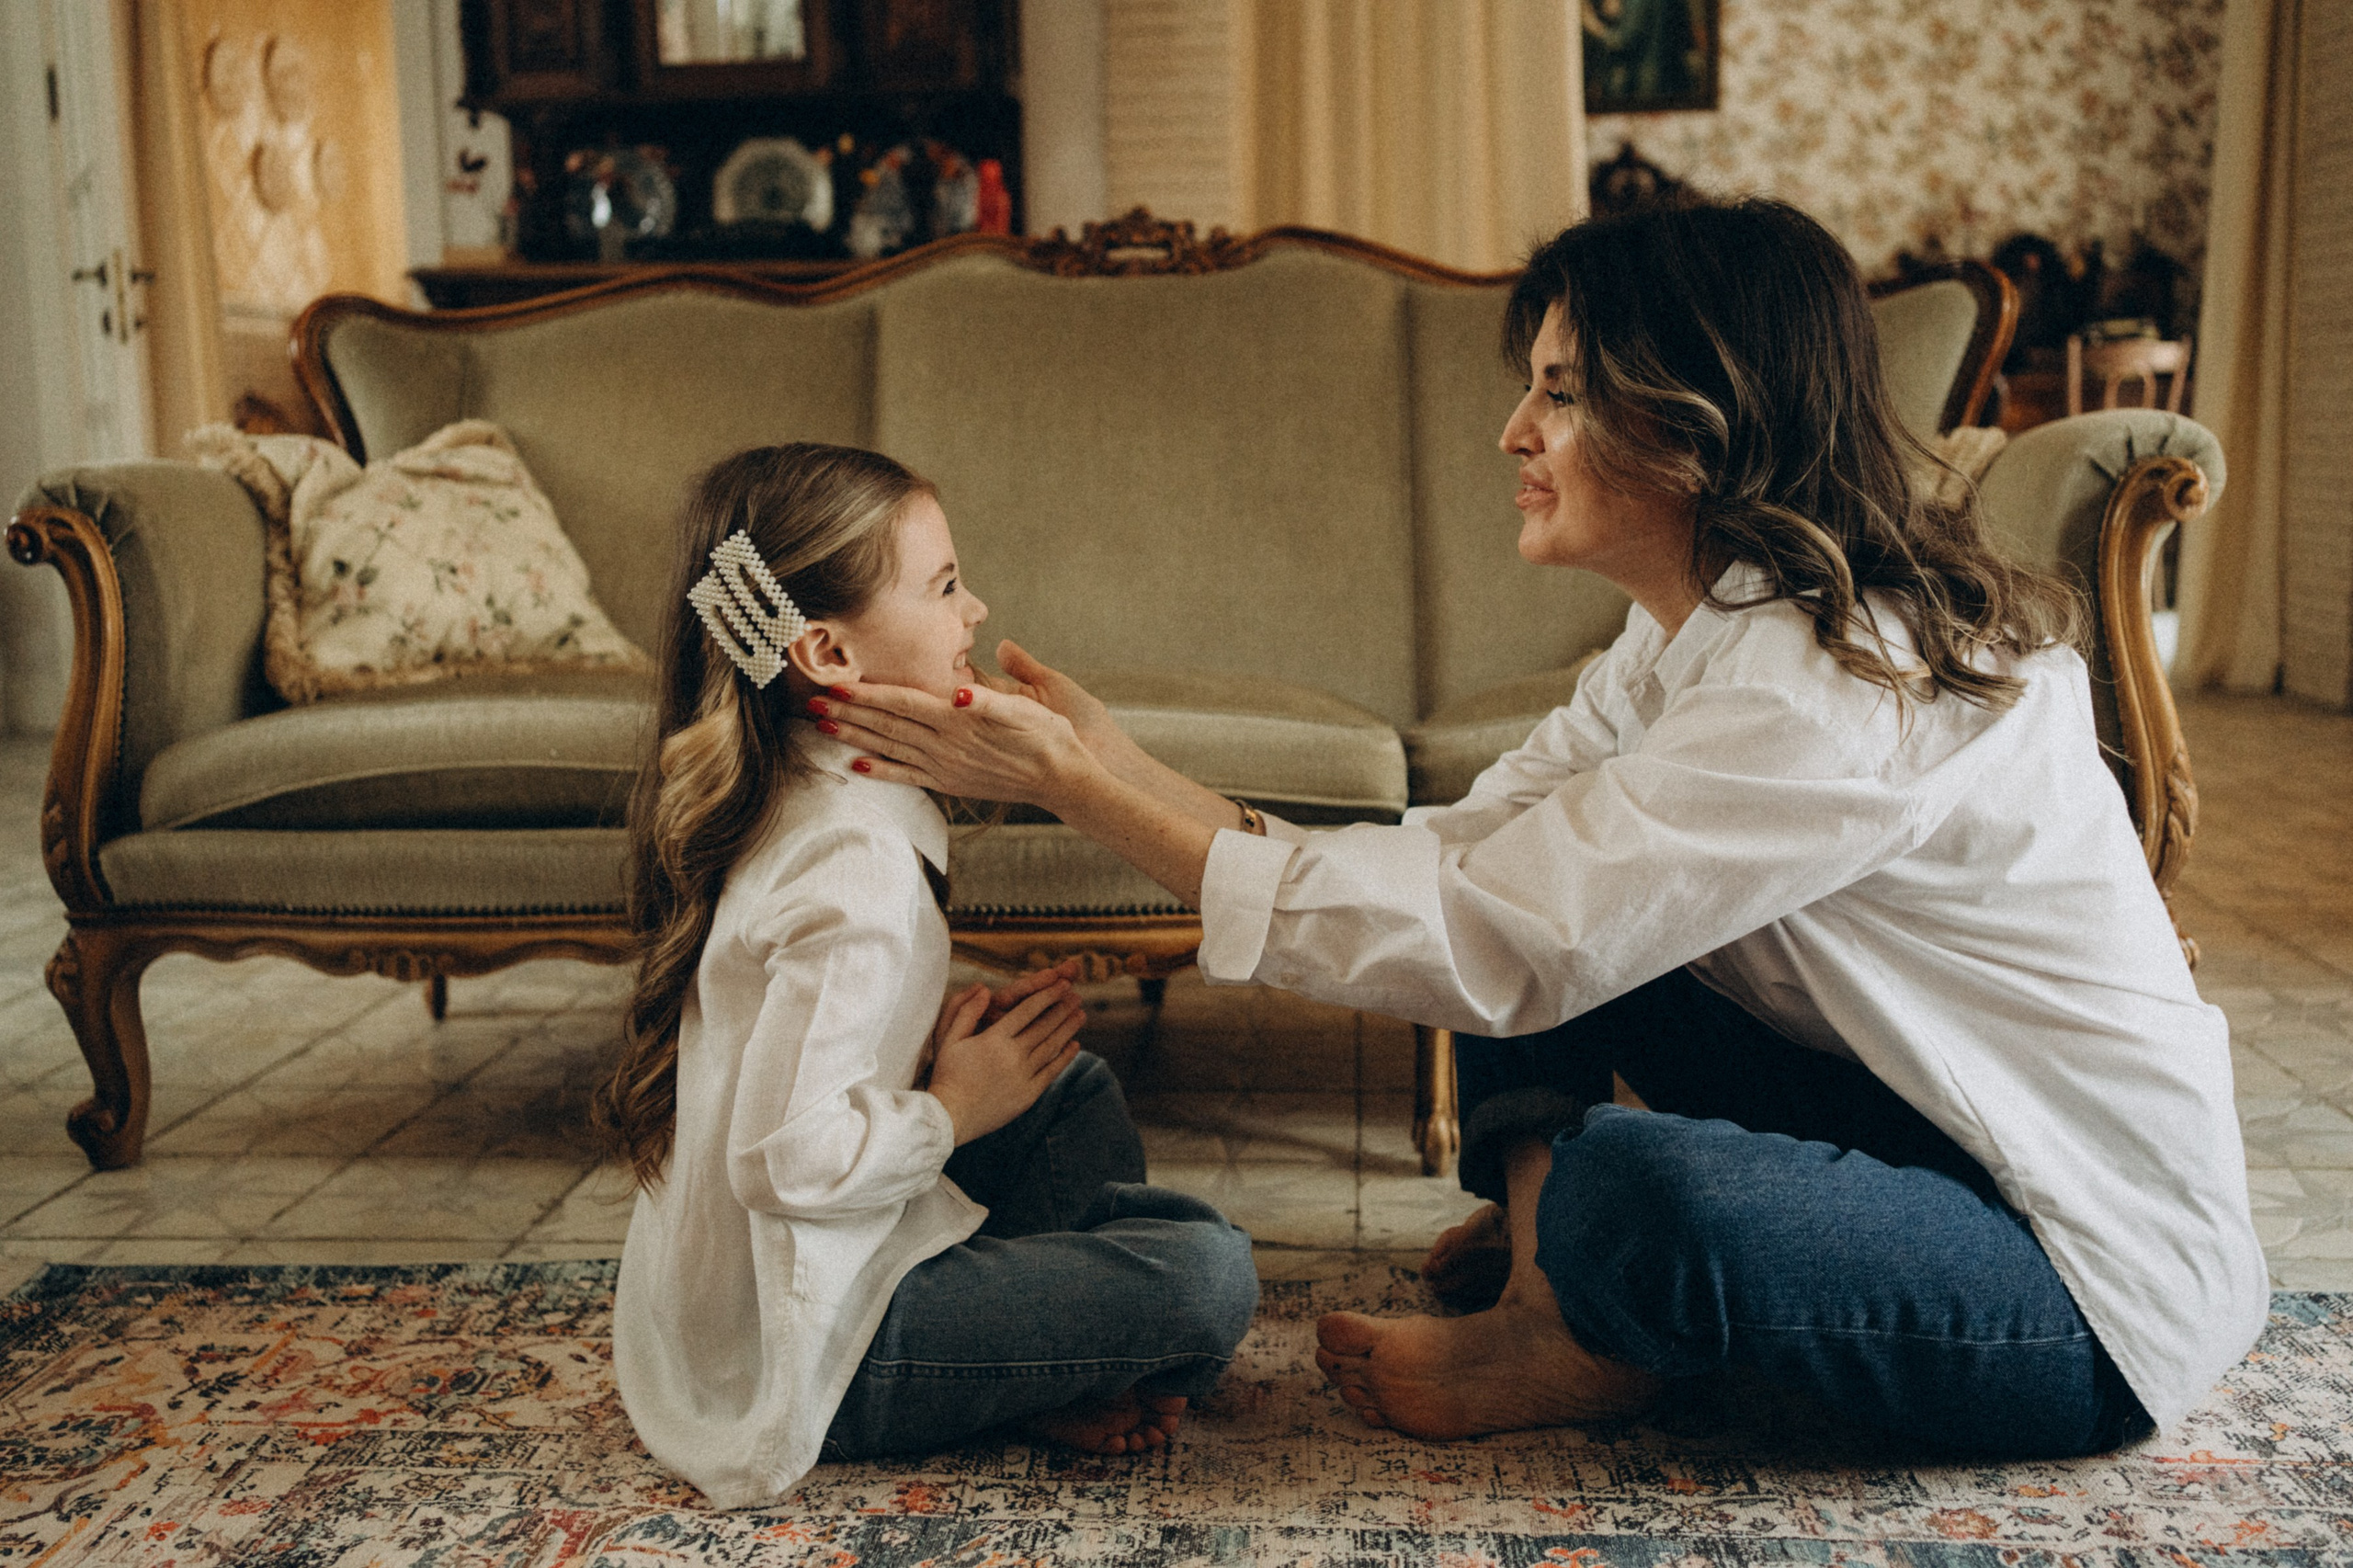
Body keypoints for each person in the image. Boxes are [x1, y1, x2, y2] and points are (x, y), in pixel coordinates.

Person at [813, 198, 2268, 1459]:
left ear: (1697, 419)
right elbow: (1459, 851)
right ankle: (1548, 1302)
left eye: (1562, 393)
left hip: (2080, 1285)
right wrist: (1115, 759)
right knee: (1517, 920)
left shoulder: (1823, 693)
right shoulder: (1687, 636)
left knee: (1632, 1186)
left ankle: (1574, 1288)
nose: (1515, 431)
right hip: (1929, 1127)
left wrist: (1080, 791)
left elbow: (1491, 944)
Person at [597, 444, 1258, 1509]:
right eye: (945, 584)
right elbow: (787, 1163)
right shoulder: (851, 861)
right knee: (1212, 1276)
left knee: (1067, 1083)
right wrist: (949, 1108)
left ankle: (1042, 1358)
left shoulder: (808, 789)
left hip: (837, 1253)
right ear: (826, 650)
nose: (975, 606)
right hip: (813, 1350)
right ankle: (1033, 1365)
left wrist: (925, 1059)